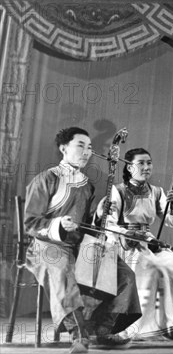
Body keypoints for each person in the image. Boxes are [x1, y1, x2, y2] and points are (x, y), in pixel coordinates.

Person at [24, 127, 141, 353]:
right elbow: (30, 224)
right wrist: (58, 224)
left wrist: (98, 214)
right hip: (46, 245)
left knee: (124, 273)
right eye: (81, 145)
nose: (87, 152)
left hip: (77, 246)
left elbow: (86, 224)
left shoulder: (87, 184)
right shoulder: (46, 178)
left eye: (90, 148)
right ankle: (80, 336)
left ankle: (104, 330)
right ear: (63, 148)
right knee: (62, 269)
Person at [98, 148, 173, 340]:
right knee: (154, 269)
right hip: (125, 242)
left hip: (149, 241)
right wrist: (130, 235)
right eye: (141, 163)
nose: (146, 167)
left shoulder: (156, 191)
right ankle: (144, 326)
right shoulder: (117, 190)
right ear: (129, 167)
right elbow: (108, 224)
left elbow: (172, 220)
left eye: (149, 163)